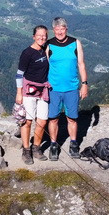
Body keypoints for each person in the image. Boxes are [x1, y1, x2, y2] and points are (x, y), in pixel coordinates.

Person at [46, 17, 89, 160]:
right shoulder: (49, 45)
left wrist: (84, 84)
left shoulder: (75, 43)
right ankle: (53, 145)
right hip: (53, 89)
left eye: (62, 28)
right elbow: (44, 67)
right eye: (57, 29)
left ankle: (73, 144)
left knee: (72, 118)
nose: (59, 32)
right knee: (53, 119)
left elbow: (81, 64)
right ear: (53, 30)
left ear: (66, 29)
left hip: (71, 88)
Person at [15, 25, 50, 164]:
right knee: (27, 121)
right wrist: (19, 93)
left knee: (42, 121)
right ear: (33, 36)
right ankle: (26, 150)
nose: (42, 38)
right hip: (29, 90)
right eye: (39, 35)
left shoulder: (45, 50)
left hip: (43, 90)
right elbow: (19, 74)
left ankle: (36, 147)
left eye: (44, 36)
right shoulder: (27, 53)